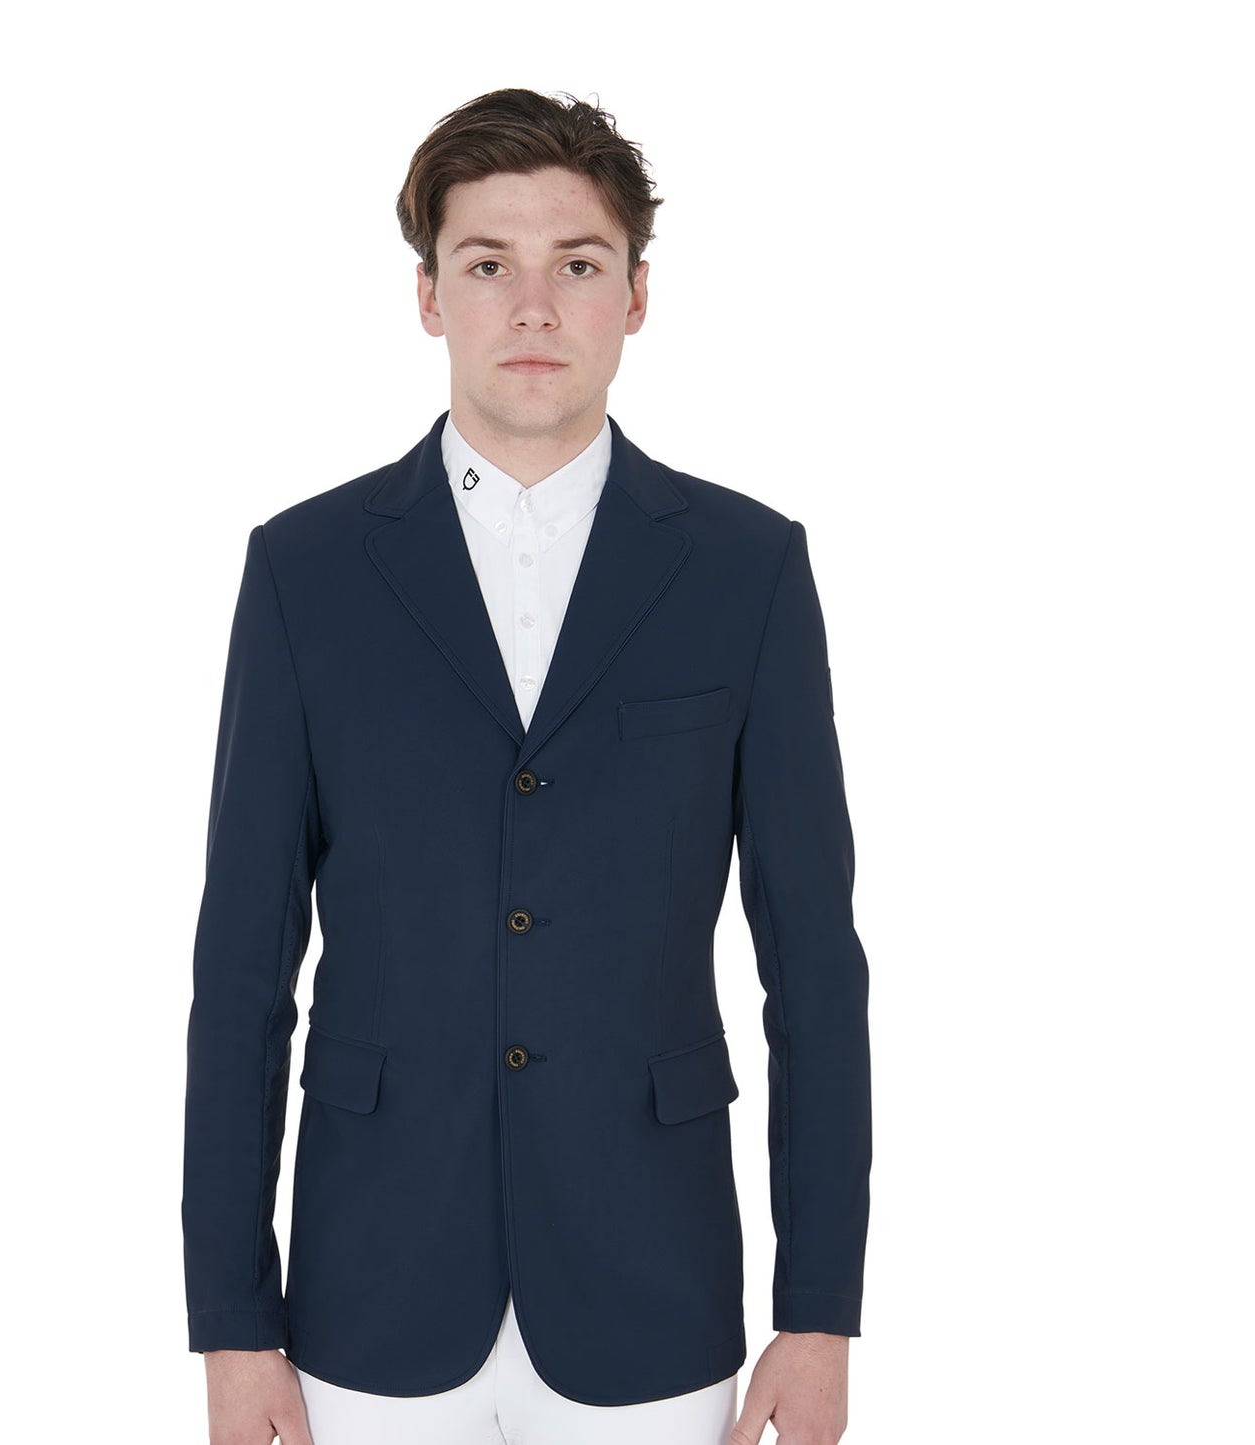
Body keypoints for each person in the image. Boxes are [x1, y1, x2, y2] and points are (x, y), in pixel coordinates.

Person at [182, 87, 872, 1445]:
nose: (535, 307)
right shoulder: (304, 572)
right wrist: (230, 1321)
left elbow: (814, 965)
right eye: (489, 264)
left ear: (638, 296)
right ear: (429, 297)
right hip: (368, 1288)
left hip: (652, 1278)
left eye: (579, 265)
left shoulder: (746, 570)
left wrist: (820, 1310)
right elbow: (242, 970)